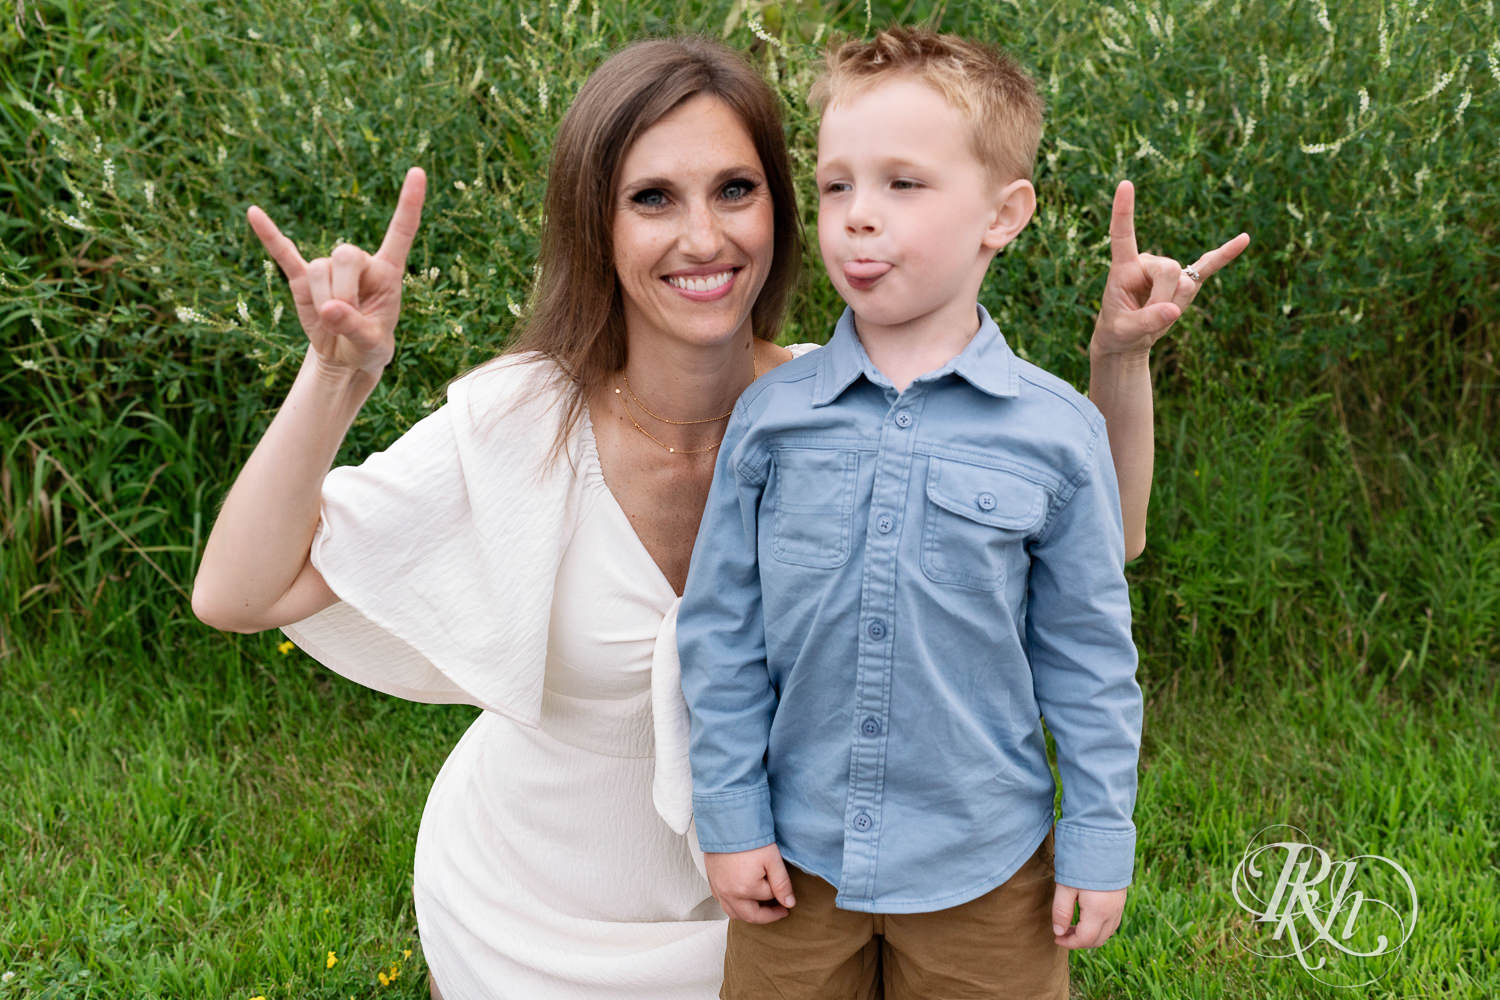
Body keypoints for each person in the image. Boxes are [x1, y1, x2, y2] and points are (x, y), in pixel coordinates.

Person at [190, 34, 1246, 1000]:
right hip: (540, 918)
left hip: (787, 907)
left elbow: (1097, 547)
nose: (702, 236)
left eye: (735, 188)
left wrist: (1118, 363)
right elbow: (238, 593)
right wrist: (338, 373)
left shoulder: (842, 409)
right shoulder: (523, 420)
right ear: (595, 225)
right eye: (652, 197)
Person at [676, 28, 1237, 1000]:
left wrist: (1099, 834)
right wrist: (732, 815)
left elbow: (1090, 657)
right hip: (796, 859)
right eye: (838, 183)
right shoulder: (770, 417)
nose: (857, 217)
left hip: (988, 868)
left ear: (1002, 213)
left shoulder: (1055, 433)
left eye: (903, 184)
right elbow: (722, 633)